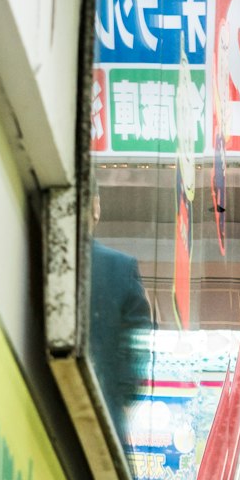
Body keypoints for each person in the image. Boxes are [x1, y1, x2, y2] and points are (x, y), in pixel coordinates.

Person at [88, 193, 154, 454]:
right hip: (103, 426)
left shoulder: (25, 257)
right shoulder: (119, 268)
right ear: (96, 208)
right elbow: (138, 340)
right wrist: (125, 397)